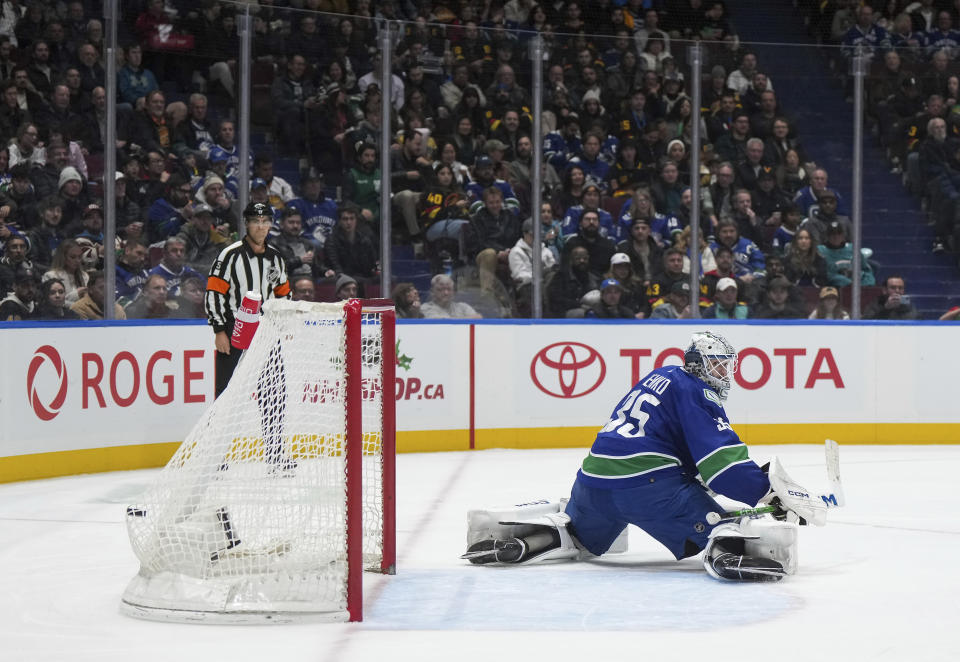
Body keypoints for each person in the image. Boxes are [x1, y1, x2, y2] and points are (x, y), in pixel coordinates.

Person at [464, 331, 808, 582]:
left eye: (725, 366)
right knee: (722, 525)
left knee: (581, 538)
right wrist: (767, 492)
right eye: (717, 365)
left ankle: (533, 539)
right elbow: (724, 467)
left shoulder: (658, 376)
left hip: (592, 484)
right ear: (697, 364)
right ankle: (727, 554)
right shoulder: (698, 390)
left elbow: (670, 444)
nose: (723, 373)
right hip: (650, 490)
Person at [205, 202, 291, 398]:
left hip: (267, 331)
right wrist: (219, 330)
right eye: (255, 221)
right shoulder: (230, 255)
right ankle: (221, 430)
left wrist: (282, 327)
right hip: (234, 330)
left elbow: (284, 294)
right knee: (226, 393)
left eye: (265, 221)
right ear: (246, 224)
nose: (260, 226)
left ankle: (273, 430)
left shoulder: (276, 258)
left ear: (271, 224)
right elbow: (214, 292)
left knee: (273, 393)